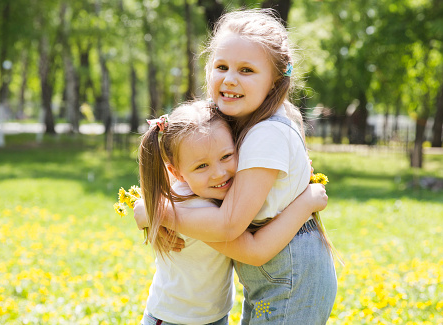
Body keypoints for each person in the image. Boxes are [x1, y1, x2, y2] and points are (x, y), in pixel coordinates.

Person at [135, 9, 337, 324]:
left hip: (290, 274)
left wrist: (157, 212)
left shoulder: (266, 133)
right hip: (276, 275)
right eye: (222, 66)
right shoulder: (237, 127)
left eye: (246, 70)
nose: (230, 79)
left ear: (275, 80)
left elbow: (229, 227)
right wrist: (151, 211)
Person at [137, 100, 328, 325]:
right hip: (174, 320)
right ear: (177, 173)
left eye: (226, 156)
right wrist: (307, 201)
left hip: (210, 317)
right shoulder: (198, 209)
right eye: (201, 166)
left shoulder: (205, 192)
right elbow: (256, 250)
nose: (219, 173)